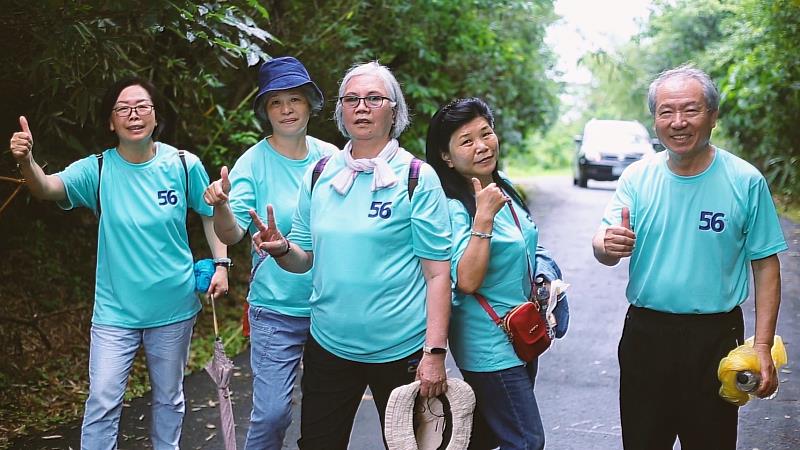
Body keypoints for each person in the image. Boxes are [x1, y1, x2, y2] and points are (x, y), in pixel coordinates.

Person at [8, 77, 229, 450]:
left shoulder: (182, 164)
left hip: (173, 306)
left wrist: (221, 263)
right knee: (103, 400)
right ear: (111, 122)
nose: (134, 115)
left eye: (142, 106)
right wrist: (27, 161)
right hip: (114, 312)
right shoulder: (96, 169)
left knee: (169, 396)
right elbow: (45, 188)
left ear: (156, 116)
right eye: (123, 109)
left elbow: (210, 213)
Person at [248, 61, 452, 449]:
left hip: (401, 349)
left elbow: (438, 275)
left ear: (395, 110)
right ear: (340, 110)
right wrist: (282, 249)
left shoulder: (415, 177)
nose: (362, 107)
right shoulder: (320, 173)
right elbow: (304, 258)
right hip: (329, 345)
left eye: (374, 98)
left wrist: (435, 353)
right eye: (352, 99)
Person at [591, 65, 787, 450]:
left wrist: (762, 346)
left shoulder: (745, 181)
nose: (677, 122)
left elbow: (765, 265)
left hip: (715, 338)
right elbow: (604, 243)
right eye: (666, 112)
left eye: (690, 110)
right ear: (655, 120)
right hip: (646, 336)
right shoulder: (636, 178)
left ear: (713, 116)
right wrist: (605, 244)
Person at [202, 56, 337, 449]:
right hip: (275, 309)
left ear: (310, 103)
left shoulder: (331, 158)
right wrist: (221, 204)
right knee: (273, 413)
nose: (286, 109)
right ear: (265, 110)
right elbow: (232, 231)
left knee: (324, 416)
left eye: (294, 99)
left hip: (329, 308)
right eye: (276, 102)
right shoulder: (253, 162)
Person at [426, 97, 562, 450]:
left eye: (485, 133)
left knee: (484, 437)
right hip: (488, 344)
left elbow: (529, 246)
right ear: (446, 155)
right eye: (466, 141)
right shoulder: (453, 206)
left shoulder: (503, 188)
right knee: (526, 440)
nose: (482, 146)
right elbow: (466, 281)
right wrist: (482, 218)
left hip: (520, 333)